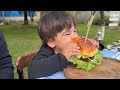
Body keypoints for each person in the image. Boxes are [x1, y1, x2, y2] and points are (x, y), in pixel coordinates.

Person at [28, 11, 99, 79]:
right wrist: (63, 57)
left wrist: (93, 46)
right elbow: (33, 70)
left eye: (74, 31)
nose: (75, 36)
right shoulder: (47, 50)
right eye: (67, 34)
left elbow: (88, 55)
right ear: (51, 42)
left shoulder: (75, 45)